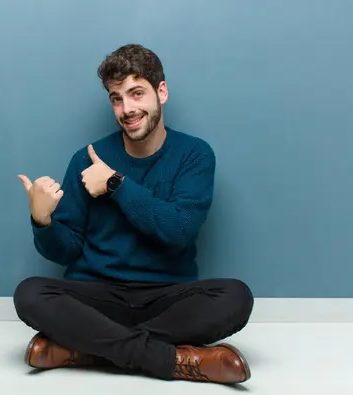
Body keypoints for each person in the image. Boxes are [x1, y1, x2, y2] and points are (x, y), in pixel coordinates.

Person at [14, 44, 254, 385]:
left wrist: (115, 183)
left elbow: (177, 229)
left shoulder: (194, 155)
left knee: (236, 297)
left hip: (167, 298)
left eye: (136, 93)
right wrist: (43, 221)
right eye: (116, 98)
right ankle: (172, 360)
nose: (127, 109)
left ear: (161, 92)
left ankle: (85, 349)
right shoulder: (87, 158)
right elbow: (64, 251)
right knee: (29, 293)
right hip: (97, 295)